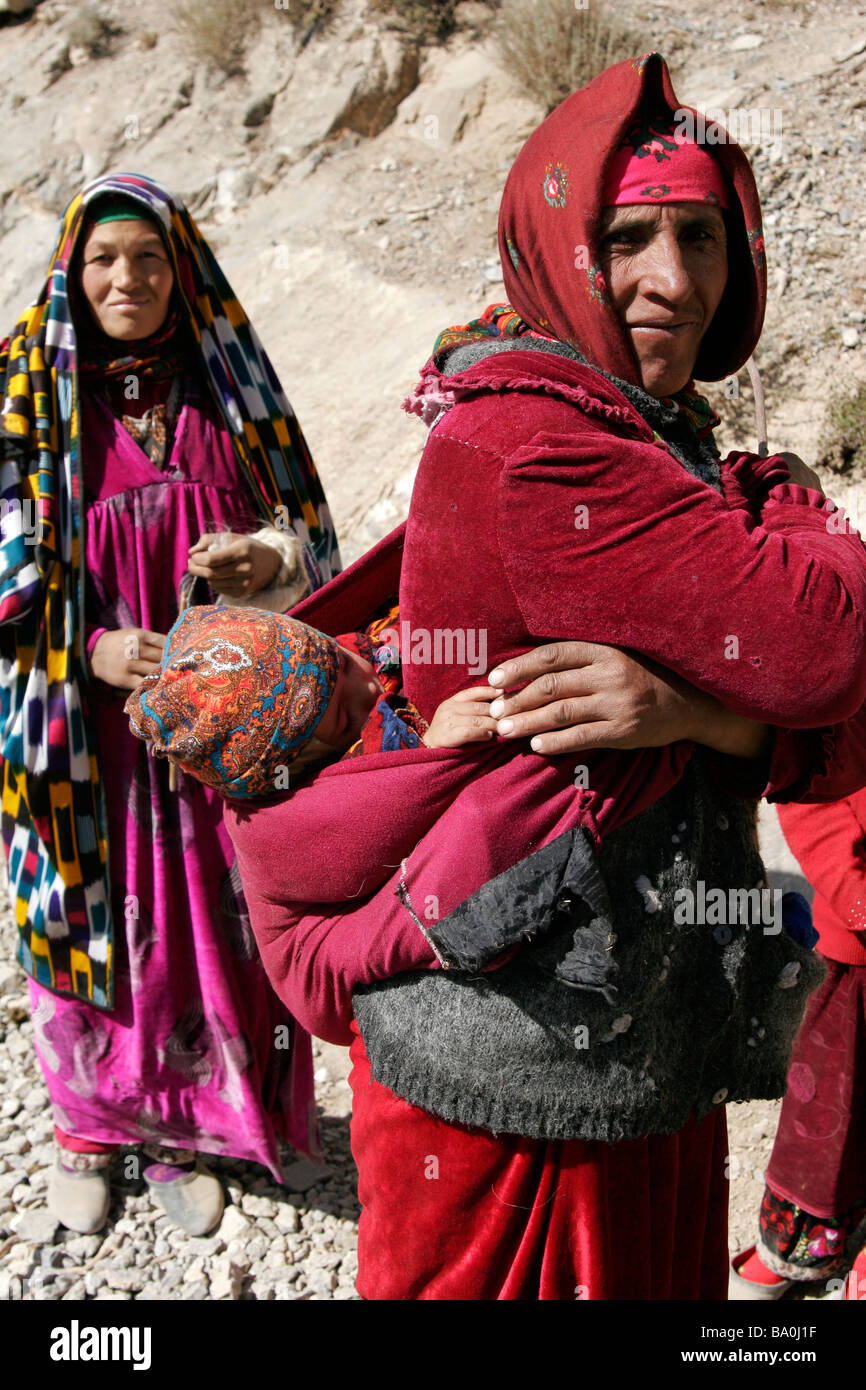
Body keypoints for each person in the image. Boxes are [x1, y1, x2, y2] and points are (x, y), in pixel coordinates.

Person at [225, 52, 866, 1302]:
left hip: (622, 1042)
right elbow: (823, 646)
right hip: (514, 1087)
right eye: (628, 237)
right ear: (556, 242)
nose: (673, 282)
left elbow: (780, 676)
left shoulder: (624, 420)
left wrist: (688, 706)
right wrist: (789, 508)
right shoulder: (539, 443)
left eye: (702, 237)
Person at [0, 172, 340, 1236]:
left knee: (208, 914)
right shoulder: (28, 400)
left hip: (215, 726)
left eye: (147, 258)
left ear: (179, 268)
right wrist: (88, 648)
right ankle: (91, 1125)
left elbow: (307, 536)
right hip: (81, 733)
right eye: (104, 259)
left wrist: (262, 554)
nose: (127, 278)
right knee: (97, 916)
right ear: (71, 271)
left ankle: (190, 1120)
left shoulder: (226, 385)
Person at [124, 603, 502, 791]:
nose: (369, 688)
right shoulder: (341, 778)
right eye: (343, 716)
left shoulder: (368, 642)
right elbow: (380, 793)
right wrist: (428, 744)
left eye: (345, 665)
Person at [730, 789, 866, 1299]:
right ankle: (799, 1245)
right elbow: (813, 793)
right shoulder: (849, 718)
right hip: (855, 952)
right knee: (825, 1120)